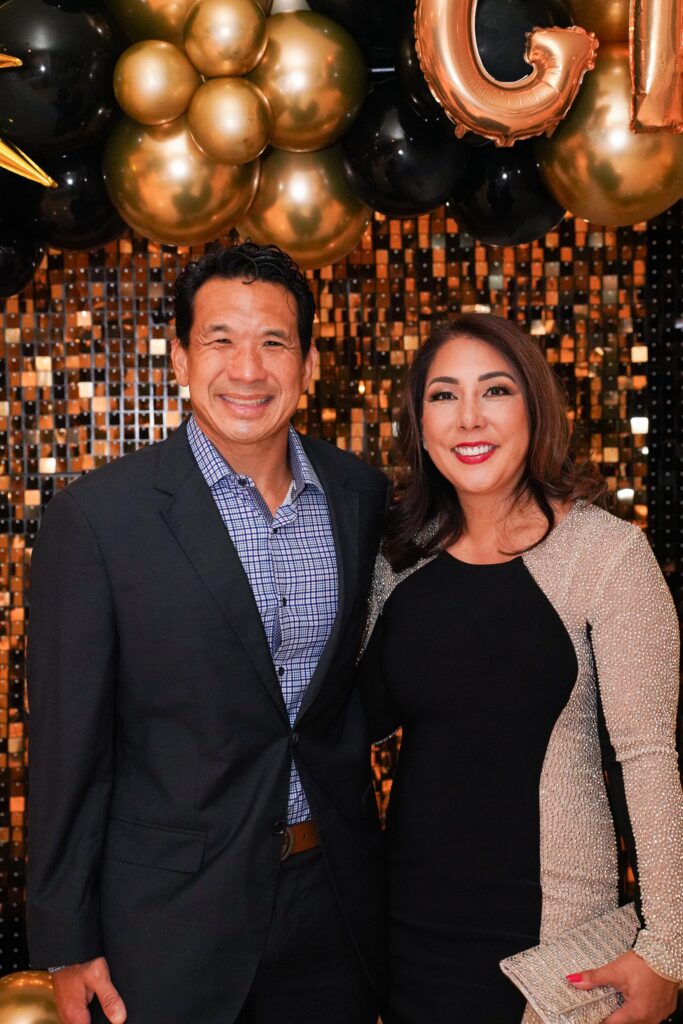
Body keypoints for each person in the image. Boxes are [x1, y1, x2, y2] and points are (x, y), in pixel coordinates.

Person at [26, 241, 389, 1024]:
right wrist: (66, 940)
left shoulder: (359, 496)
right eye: (220, 340)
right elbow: (66, 746)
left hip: (332, 905)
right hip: (166, 924)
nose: (247, 370)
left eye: (273, 343)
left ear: (308, 362)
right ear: (183, 359)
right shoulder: (98, 520)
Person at [358, 314, 683, 1024]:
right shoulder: (396, 561)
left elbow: (648, 758)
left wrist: (668, 946)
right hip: (408, 932)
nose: (468, 417)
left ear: (535, 407)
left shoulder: (607, 557)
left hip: (554, 945)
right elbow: (351, 722)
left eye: (495, 390)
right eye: (443, 395)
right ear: (420, 424)